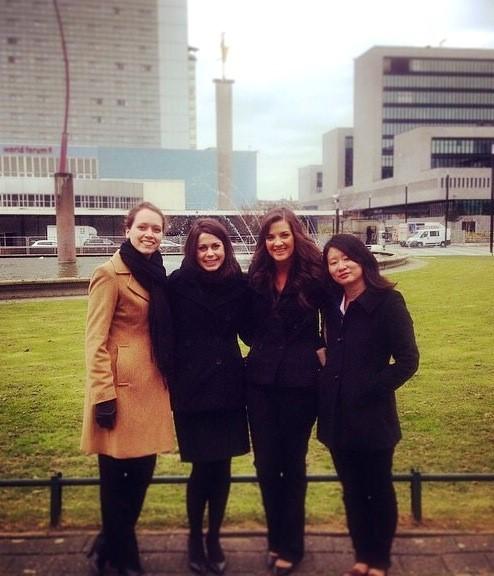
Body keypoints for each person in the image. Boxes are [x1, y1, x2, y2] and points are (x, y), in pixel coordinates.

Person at [81, 202, 175, 576]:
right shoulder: (109, 274)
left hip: (151, 387)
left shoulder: (156, 274)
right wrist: (103, 395)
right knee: (114, 479)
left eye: (157, 228)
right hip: (118, 391)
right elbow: (95, 340)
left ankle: (108, 542)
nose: (150, 234)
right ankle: (125, 555)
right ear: (128, 229)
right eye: (143, 227)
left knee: (141, 473)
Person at [317, 234, 419, 576]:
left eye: (347, 259)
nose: (340, 267)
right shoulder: (332, 304)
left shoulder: (387, 301)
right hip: (336, 416)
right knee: (352, 491)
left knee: (377, 489)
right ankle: (362, 556)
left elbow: (408, 361)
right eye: (332, 262)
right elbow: (328, 345)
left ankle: (381, 559)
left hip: (373, 416)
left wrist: (370, 387)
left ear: (362, 260)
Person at [244, 207, 324, 576]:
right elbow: (246, 327)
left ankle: (292, 545)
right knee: (265, 465)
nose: (277, 242)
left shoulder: (315, 276)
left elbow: (335, 318)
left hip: (300, 385)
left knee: (292, 465)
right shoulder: (257, 277)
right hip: (260, 385)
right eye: (271, 237)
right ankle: (276, 539)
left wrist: (321, 346)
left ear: (295, 237)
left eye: (284, 236)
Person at [168, 218, 250, 576]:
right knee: (203, 468)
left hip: (230, 385)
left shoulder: (239, 283)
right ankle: (194, 538)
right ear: (193, 250)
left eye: (216, 245)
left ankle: (214, 537)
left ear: (225, 247)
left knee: (224, 467)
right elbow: (164, 336)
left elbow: (253, 330)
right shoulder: (176, 285)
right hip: (193, 387)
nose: (210, 253)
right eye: (202, 247)